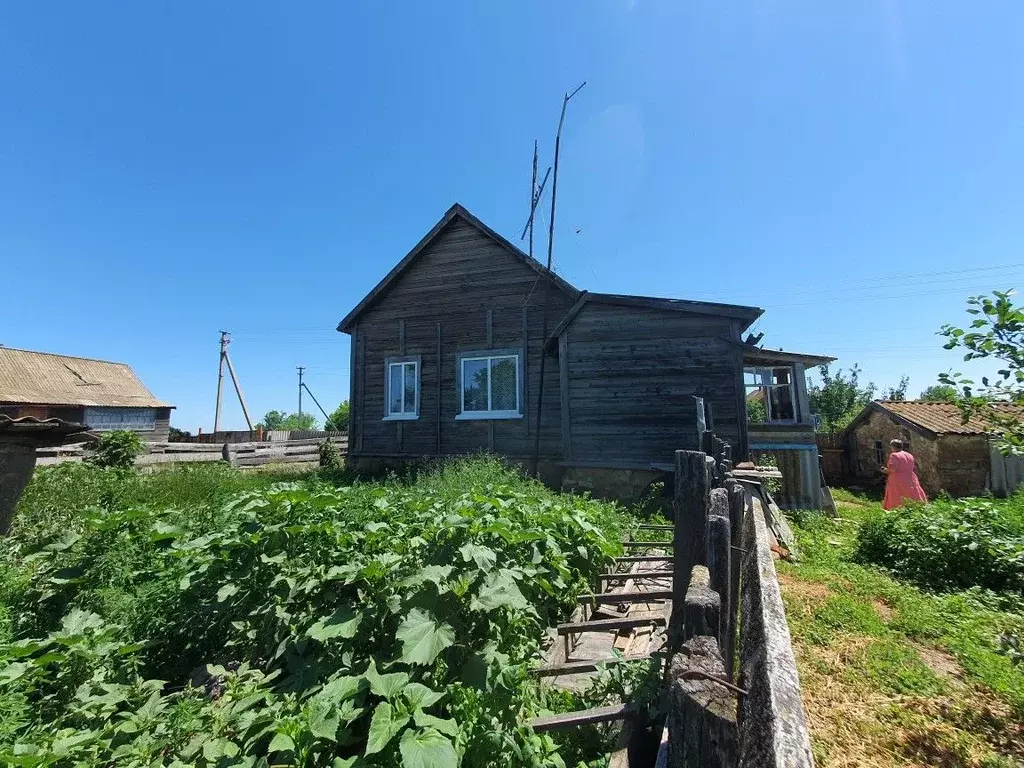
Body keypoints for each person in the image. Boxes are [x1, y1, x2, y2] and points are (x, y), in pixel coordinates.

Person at [882, 439, 928, 510]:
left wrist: (885, 470)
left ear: (893, 446)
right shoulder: (909, 455)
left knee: (897, 495)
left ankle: (896, 509)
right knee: (912, 493)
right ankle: (918, 507)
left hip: (897, 479)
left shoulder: (894, 455)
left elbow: (893, 469)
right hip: (910, 478)